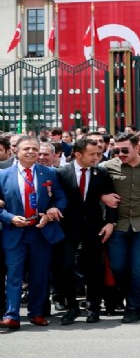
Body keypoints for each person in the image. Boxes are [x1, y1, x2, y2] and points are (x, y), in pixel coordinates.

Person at [0, 136, 67, 330]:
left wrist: (52, 211)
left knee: (39, 275)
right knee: (14, 275)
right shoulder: (3, 175)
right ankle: (12, 315)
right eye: (26, 149)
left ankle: (36, 312)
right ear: (16, 152)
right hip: (15, 232)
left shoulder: (49, 173)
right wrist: (9, 218)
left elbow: (61, 199)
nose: (31, 152)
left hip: (41, 231)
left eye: (34, 149)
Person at [54, 138, 116, 325]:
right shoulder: (61, 173)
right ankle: (72, 306)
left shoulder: (102, 172)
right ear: (78, 154)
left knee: (94, 268)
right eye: (92, 154)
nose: (97, 157)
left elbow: (112, 199)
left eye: (98, 154)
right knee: (66, 267)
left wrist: (110, 222)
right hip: (67, 228)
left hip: (94, 228)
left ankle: (94, 307)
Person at [104, 133, 140, 324]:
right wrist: (102, 197)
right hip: (118, 225)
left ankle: (133, 307)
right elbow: (96, 189)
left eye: (125, 150)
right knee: (118, 267)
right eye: (116, 150)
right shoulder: (107, 167)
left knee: (139, 269)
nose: (120, 154)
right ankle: (126, 295)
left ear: (137, 148)